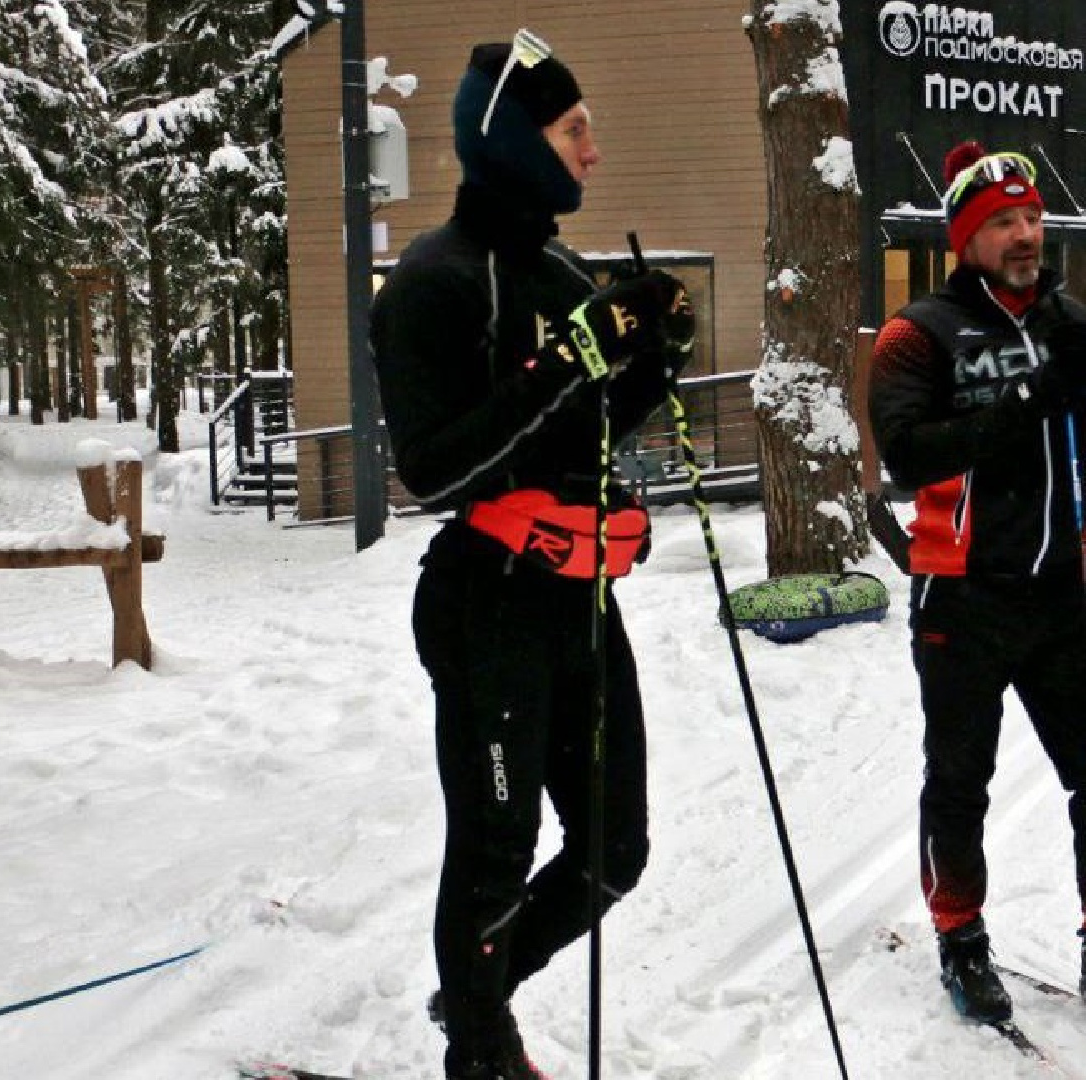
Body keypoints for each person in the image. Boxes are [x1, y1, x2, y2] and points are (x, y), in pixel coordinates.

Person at [371, 36, 691, 1080]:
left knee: (616, 852)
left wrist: (653, 359)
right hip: (487, 608)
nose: (592, 152)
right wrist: (572, 356)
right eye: (572, 130)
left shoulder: (558, 268)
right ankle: (482, 1048)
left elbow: (581, 429)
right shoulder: (431, 281)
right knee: (495, 856)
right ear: (513, 140)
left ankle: (476, 991)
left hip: (578, 601)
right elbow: (438, 471)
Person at [865, 141, 1086, 1035]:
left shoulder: (1063, 319)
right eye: (1003, 221)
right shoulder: (917, 332)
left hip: (1058, 594)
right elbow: (908, 453)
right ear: (966, 235)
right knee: (959, 782)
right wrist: (1030, 398)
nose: (1024, 235)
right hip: (959, 596)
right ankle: (960, 936)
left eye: (1033, 218)